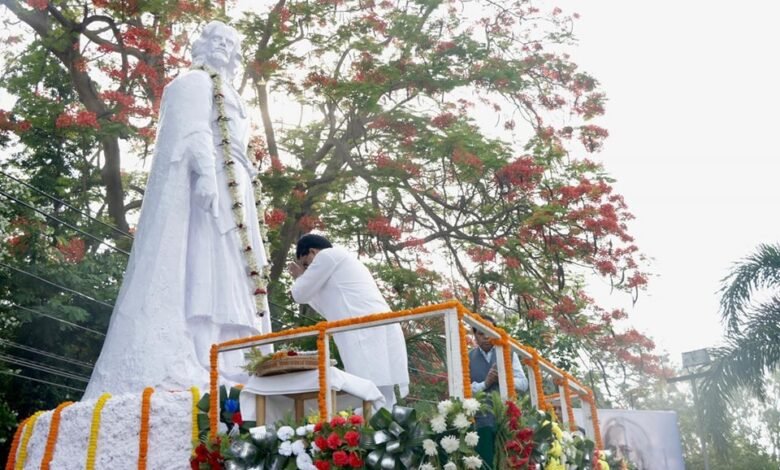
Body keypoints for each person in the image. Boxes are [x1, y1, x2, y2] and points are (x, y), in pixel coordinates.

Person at [83, 21, 272, 399]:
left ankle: (236, 360)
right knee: (208, 267)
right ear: (202, 45)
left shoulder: (233, 96)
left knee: (237, 273)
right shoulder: (195, 82)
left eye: (229, 42)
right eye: (216, 39)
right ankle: (204, 353)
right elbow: (193, 131)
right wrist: (204, 176)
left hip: (239, 191)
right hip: (212, 186)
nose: (222, 46)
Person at [288, 234, 410, 409]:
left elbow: (299, 294)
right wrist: (302, 279)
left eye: (306, 264)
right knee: (381, 390)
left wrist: (299, 276)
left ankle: (371, 425)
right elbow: (317, 302)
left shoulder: (327, 255)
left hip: (364, 328)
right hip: (374, 325)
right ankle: (382, 424)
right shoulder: (342, 263)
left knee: (365, 387)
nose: (307, 270)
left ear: (312, 252)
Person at [469, 314, 529, 467]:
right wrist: (485, 383)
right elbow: (464, 390)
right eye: (481, 333)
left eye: (489, 331)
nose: (486, 337)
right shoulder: (467, 357)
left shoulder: (508, 351)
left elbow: (523, 384)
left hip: (506, 423)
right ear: (474, 335)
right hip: (480, 424)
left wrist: (503, 378)